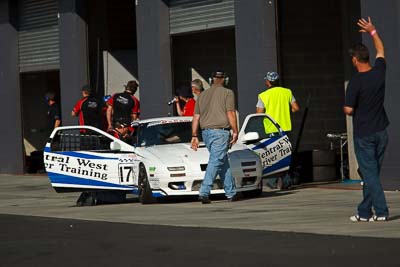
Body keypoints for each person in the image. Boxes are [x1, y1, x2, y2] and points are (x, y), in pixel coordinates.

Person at [344, 17, 389, 222]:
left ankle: (381, 211)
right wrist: (372, 31)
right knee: (372, 175)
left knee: (370, 175)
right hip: (381, 131)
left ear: (355, 60)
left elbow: (348, 109)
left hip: (364, 134)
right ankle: (364, 213)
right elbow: (381, 50)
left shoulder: (355, 82)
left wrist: (345, 106)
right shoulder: (379, 71)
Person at [191, 71, 239, 204]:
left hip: (206, 133)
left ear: (211, 79)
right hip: (220, 133)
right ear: (225, 79)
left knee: (222, 162)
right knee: (216, 161)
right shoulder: (228, 93)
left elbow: (196, 117)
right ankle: (204, 192)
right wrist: (235, 131)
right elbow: (230, 113)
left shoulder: (202, 95)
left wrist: (194, 135)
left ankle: (231, 193)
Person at [256, 71, 300, 189]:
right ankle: (286, 182)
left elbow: (258, 114)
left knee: (272, 156)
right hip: (286, 129)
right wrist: (286, 113)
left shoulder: (263, 95)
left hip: (271, 131)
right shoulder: (287, 92)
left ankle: (272, 182)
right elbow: (296, 108)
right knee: (286, 155)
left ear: (268, 82)